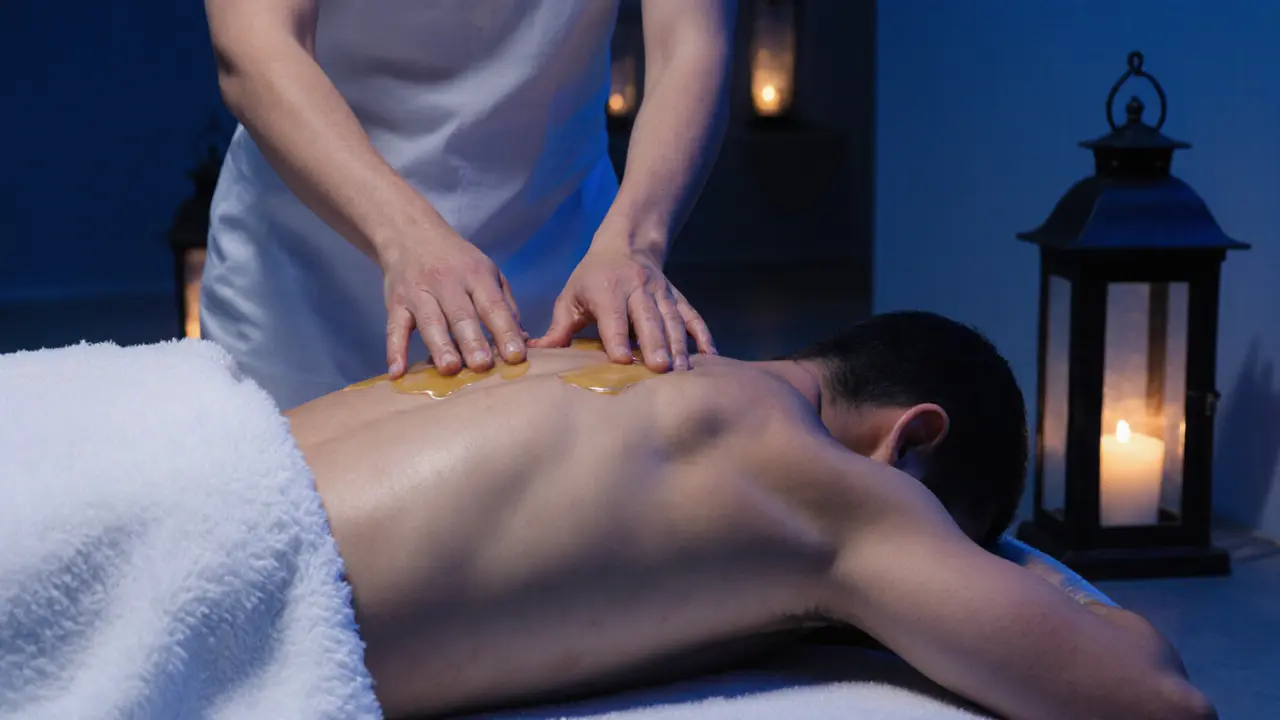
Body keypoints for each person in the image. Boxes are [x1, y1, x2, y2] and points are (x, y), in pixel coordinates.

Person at [283, 312, 1213, 720]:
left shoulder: (636, 358)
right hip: (254, 595)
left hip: (193, 452)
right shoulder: (819, 480)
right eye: (944, 533)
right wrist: (1023, 568)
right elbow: (1158, 704)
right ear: (910, 441)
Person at [199, 0, 732, 410]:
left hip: (571, 268)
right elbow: (257, 46)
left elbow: (692, 43)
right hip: (300, 278)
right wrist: (407, 237)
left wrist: (634, 243)